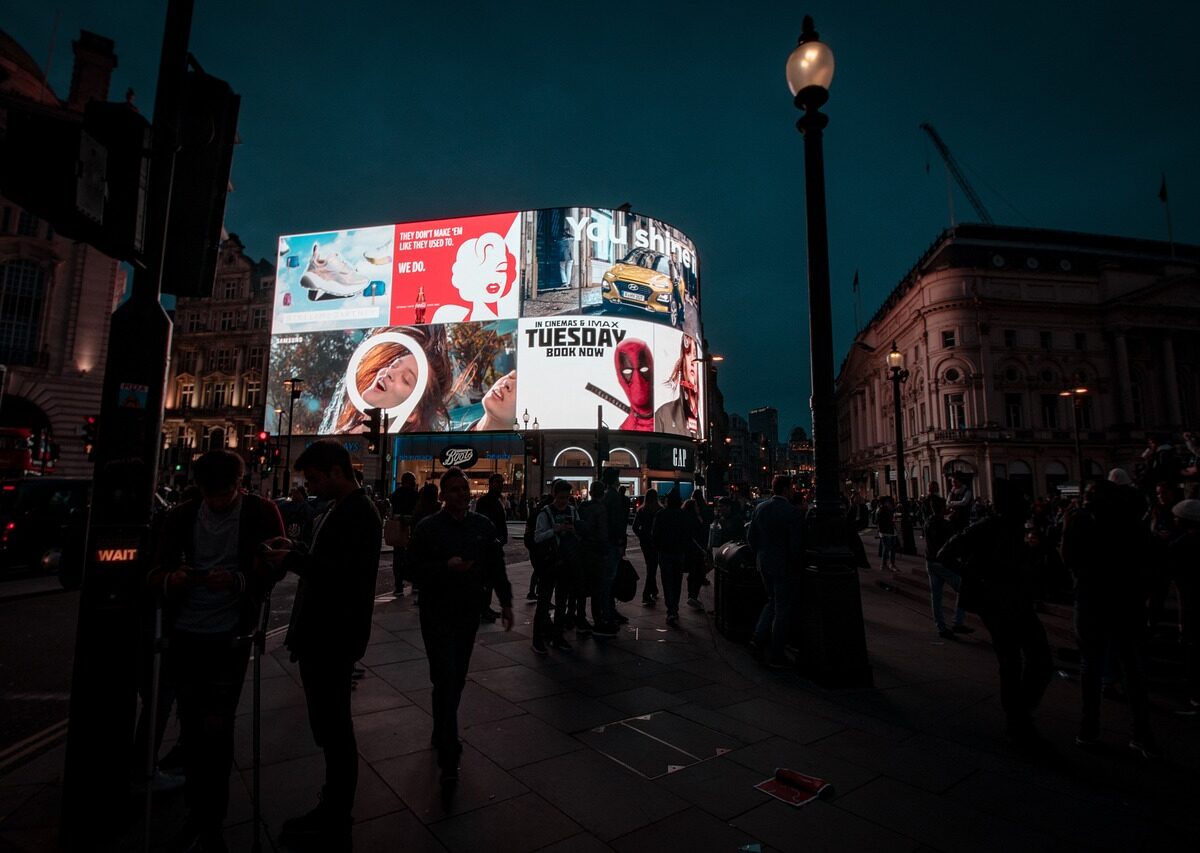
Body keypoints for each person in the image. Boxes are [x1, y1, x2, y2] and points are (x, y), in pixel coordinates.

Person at [149, 450, 285, 853]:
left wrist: (240, 581)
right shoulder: (180, 517)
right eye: (211, 495)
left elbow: (278, 563)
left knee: (216, 726)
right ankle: (197, 811)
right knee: (191, 726)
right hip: (186, 633)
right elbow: (154, 571)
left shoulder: (261, 512)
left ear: (239, 484)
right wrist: (174, 578)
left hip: (230, 635)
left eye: (225, 493)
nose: (219, 501)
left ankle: (212, 819)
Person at [262, 441, 381, 848]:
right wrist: (295, 548)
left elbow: (339, 575)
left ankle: (335, 813)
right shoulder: (339, 508)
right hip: (325, 633)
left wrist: (292, 560)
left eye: (314, 479)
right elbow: (326, 559)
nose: (310, 488)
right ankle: (332, 805)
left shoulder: (358, 513)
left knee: (335, 730)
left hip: (334, 634)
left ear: (336, 472)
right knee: (329, 727)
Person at [408, 467, 513, 784]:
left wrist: (506, 602)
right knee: (444, 676)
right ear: (442, 494)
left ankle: (441, 725)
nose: (461, 494)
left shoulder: (482, 525)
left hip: (468, 612)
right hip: (436, 612)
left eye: (464, 489)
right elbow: (412, 569)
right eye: (454, 489)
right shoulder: (428, 528)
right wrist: (445, 567)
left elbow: (496, 566)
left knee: (456, 677)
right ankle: (449, 750)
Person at [938, 479, 1052, 747]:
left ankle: (1020, 711)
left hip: (1018, 601)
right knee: (1012, 661)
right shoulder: (987, 527)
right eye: (1022, 501)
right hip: (997, 604)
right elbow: (945, 553)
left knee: (1038, 660)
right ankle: (1017, 717)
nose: (1027, 505)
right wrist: (976, 579)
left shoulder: (1021, 529)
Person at [1061, 479, 1159, 757]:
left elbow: (1068, 559)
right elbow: (1148, 562)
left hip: (1092, 598)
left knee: (1092, 666)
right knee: (1132, 667)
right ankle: (1141, 734)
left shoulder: (1081, 521)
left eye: (1090, 494)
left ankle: (1089, 729)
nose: (1085, 497)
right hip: (1127, 600)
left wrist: (1067, 527)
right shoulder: (1132, 523)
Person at [327, 325, 453, 434]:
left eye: (405, 379)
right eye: (393, 365)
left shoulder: (401, 453)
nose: (389, 372)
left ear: (411, 413)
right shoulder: (340, 435)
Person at [747, 475, 805, 668]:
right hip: (784, 566)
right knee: (782, 608)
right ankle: (776, 653)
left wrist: (760, 555)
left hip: (764, 563)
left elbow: (751, 537)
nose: (793, 491)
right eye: (792, 488)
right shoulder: (793, 512)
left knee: (772, 601)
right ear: (786, 489)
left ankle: (757, 638)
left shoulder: (760, 508)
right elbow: (796, 545)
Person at [530, 479, 581, 653]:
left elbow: (579, 532)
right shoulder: (545, 513)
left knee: (561, 601)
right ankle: (537, 639)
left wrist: (574, 530)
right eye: (560, 498)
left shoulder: (572, 511)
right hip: (550, 562)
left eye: (566, 498)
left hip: (567, 561)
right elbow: (537, 537)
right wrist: (555, 530)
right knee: (544, 601)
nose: (563, 501)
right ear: (554, 495)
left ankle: (558, 636)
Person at [430, 232, 518, 323]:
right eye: (483, 271)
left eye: (501, 270)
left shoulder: (511, 310)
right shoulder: (448, 313)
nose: (493, 278)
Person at [922, 482, 971, 639]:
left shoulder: (928, 521)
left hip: (930, 561)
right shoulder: (944, 524)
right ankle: (957, 621)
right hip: (943, 562)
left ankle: (941, 627)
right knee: (963, 588)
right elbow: (951, 543)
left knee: (936, 596)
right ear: (942, 508)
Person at [652, 490, 692, 626]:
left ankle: (671, 610)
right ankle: (675, 607)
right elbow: (688, 534)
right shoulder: (683, 514)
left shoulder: (661, 514)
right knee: (677, 581)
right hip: (679, 551)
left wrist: (658, 547)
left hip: (665, 551)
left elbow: (655, 534)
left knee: (667, 581)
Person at [474, 473, 509, 622]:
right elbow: (484, 522)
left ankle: (485, 607)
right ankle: (483, 608)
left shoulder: (497, 500)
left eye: (501, 482)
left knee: (490, 578)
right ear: (491, 484)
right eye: (497, 482)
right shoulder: (485, 501)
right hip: (488, 545)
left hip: (495, 542)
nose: (500, 484)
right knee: (486, 579)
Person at [654, 334, 701, 438]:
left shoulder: (705, 414)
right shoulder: (664, 414)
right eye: (688, 353)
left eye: (695, 354)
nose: (692, 361)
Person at [632, 489, 662, 605]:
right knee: (652, 568)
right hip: (656, 542)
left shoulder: (642, 510)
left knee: (650, 566)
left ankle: (653, 589)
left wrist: (642, 536)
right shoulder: (659, 510)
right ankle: (646, 594)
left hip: (645, 543)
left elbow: (635, 527)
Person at [682, 497, 708, 608]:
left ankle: (692, 595)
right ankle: (693, 596)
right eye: (696, 506)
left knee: (694, 572)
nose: (698, 508)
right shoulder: (694, 520)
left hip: (691, 550)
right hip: (696, 549)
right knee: (698, 572)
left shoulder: (687, 519)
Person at [875, 495, 899, 571]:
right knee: (887, 548)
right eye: (889, 502)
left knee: (892, 548)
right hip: (886, 531)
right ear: (885, 502)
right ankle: (884, 565)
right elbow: (877, 521)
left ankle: (891, 564)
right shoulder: (882, 510)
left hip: (890, 531)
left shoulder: (886, 509)